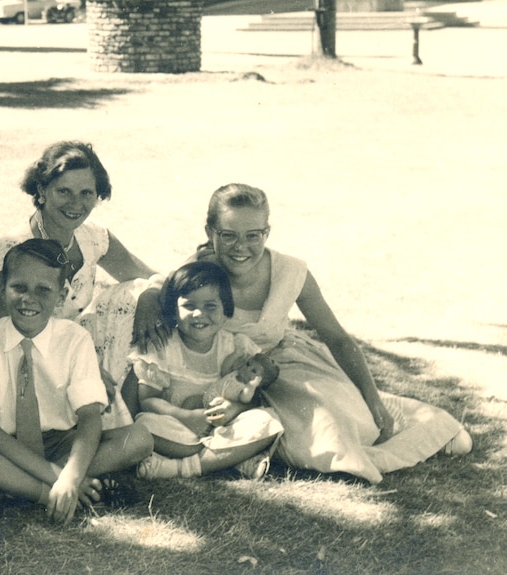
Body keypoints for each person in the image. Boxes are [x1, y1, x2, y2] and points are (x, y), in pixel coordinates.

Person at [133, 183, 473, 484]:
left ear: (267, 231)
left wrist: (374, 402)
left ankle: (386, 408)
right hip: (221, 377)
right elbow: (165, 286)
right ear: (210, 232)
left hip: (281, 367)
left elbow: (338, 338)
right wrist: (150, 294)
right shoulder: (200, 267)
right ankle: (245, 454)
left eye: (254, 234)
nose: (241, 247)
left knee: (338, 434)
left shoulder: (290, 271)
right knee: (309, 442)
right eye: (229, 235)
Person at [0, 239, 154, 524]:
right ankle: (48, 490)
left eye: (43, 290)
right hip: (2, 446)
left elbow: (89, 418)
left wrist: (71, 473)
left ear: (62, 296)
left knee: (139, 438)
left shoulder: (75, 339)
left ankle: (10, 486)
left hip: (59, 443)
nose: (29, 298)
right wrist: (61, 478)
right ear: (2, 290)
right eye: (19, 287)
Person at [0, 140, 159, 428]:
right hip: (27, 369)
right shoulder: (13, 251)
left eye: (86, 193)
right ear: (41, 190)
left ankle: (136, 407)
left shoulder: (93, 237)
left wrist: (150, 291)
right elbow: (6, 341)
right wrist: (86, 369)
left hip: (76, 352)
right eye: (64, 191)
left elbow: (148, 275)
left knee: (134, 294)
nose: (76, 204)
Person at [130, 261, 283, 481]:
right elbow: (147, 401)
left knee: (266, 421)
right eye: (189, 306)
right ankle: (233, 459)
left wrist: (234, 408)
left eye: (210, 306)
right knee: (145, 424)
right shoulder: (164, 348)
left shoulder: (234, 347)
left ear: (226, 311)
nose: (199, 314)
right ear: (174, 310)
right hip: (178, 428)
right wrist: (185, 417)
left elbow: (253, 396)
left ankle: (178, 468)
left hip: (222, 428)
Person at [180, 353, 280, 410]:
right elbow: (224, 370)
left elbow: (245, 399)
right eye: (248, 364)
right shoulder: (235, 373)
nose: (247, 368)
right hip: (206, 397)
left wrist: (251, 387)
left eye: (253, 371)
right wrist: (235, 354)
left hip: (218, 408)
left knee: (207, 418)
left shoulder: (246, 388)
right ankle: (182, 419)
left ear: (260, 382)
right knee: (190, 401)